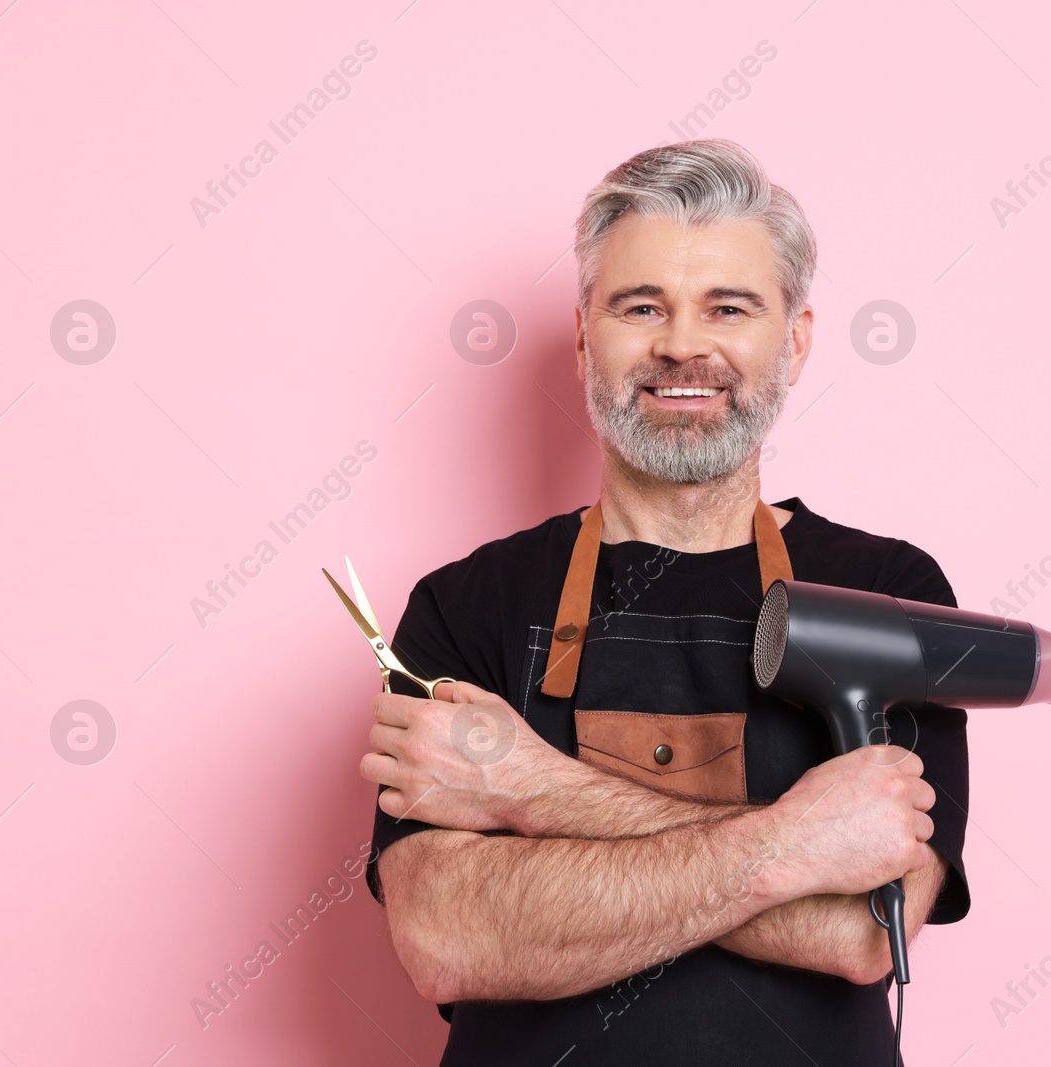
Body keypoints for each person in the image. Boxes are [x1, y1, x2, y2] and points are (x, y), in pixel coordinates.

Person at [359, 138, 971, 1066]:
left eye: (728, 306)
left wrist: (536, 789)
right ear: (582, 337)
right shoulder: (465, 605)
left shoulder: (891, 597)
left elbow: (859, 932)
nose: (683, 343)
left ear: (795, 339)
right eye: (642, 306)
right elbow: (447, 937)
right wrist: (796, 842)